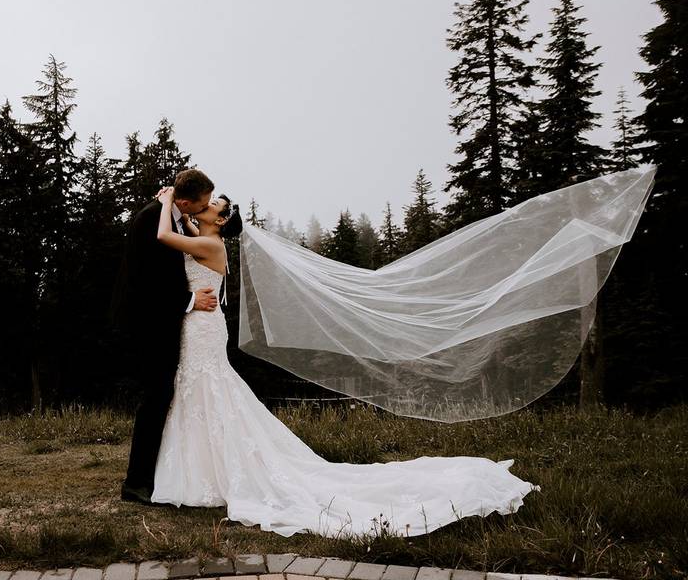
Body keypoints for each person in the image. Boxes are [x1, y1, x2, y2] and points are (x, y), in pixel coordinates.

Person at [146, 186, 539, 538]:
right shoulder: (202, 236)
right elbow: (182, 230)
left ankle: (208, 474)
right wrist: (178, 206)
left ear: (221, 220)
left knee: (207, 388)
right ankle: (204, 471)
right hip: (199, 323)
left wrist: (165, 203)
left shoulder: (210, 245)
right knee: (204, 390)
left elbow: (164, 235)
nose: (206, 205)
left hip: (203, 328)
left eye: (213, 204)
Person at [110, 169, 219, 505]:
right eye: (200, 205)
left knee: (161, 397)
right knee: (155, 398)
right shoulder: (151, 219)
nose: (203, 210)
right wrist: (189, 301)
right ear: (185, 201)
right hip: (150, 324)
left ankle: (155, 475)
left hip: (165, 323)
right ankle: (136, 483)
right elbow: (147, 281)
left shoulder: (171, 216)